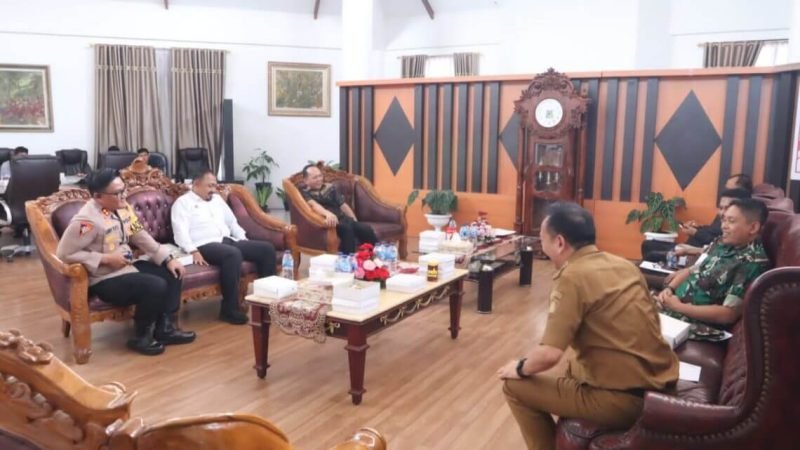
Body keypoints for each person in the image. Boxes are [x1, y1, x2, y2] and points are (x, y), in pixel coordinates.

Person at [498, 202, 678, 450]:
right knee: (572, 365)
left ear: (559, 242)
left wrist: (518, 367)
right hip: (660, 385)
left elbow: (549, 354)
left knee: (514, 386)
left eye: (542, 239)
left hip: (624, 402)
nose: (541, 245)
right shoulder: (624, 265)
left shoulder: (572, 277)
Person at [56, 169, 196, 355]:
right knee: (155, 285)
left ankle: (165, 329)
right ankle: (142, 336)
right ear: (98, 197)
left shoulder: (123, 209)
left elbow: (139, 234)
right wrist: (105, 258)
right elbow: (65, 253)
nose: (124, 195)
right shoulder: (87, 222)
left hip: (126, 267)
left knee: (173, 273)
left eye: (124, 190)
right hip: (104, 278)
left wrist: (167, 258)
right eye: (117, 193)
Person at [171, 170, 276, 325]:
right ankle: (229, 309)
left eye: (215, 185)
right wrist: (193, 251)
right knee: (232, 254)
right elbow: (179, 231)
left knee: (266, 249)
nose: (213, 189)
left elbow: (232, 223)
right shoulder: (183, 203)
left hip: (227, 240)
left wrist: (244, 240)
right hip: (203, 244)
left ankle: (267, 303)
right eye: (209, 186)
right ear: (196, 185)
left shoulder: (217, 200)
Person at [656, 198, 769, 327]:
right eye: (724, 220)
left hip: (694, 325)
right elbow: (694, 270)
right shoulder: (722, 242)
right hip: (673, 310)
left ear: (753, 227)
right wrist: (669, 290)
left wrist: (678, 307)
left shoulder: (751, 262)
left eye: (731, 221)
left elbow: (728, 314)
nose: (723, 226)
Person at [641, 188, 750, 262]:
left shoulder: (739, 235)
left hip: (694, 257)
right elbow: (713, 234)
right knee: (648, 245)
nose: (722, 213)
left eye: (727, 208)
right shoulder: (723, 221)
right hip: (690, 250)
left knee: (651, 254)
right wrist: (696, 228)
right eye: (721, 208)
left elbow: (715, 246)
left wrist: (695, 234)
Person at [299, 164, 377, 253]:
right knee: (347, 230)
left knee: (366, 229)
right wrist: (328, 214)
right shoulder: (304, 193)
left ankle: (373, 255)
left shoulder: (329, 187)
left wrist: (354, 220)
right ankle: (347, 258)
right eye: (315, 177)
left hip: (343, 218)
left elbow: (343, 205)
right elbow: (314, 205)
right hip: (328, 223)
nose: (319, 179)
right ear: (305, 180)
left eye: (320, 176)